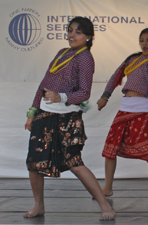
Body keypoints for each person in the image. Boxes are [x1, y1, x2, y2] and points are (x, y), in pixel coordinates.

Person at [24, 17, 115, 220]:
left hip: (66, 117)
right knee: (35, 163)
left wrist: (61, 97)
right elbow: (44, 83)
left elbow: (84, 93)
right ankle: (39, 206)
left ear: (89, 36)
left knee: (74, 163)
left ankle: (105, 206)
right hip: (44, 115)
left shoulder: (85, 58)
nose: (72, 35)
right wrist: (32, 113)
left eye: (78, 32)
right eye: (70, 30)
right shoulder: (62, 53)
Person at [97, 28, 148, 201]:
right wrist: (105, 97)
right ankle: (107, 187)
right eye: (142, 40)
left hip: (142, 110)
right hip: (125, 108)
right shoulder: (132, 59)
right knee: (110, 148)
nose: (145, 44)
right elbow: (115, 77)